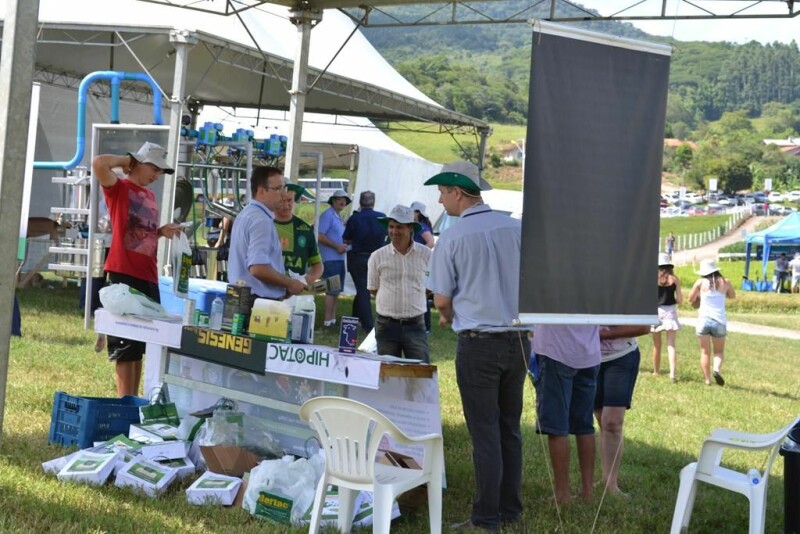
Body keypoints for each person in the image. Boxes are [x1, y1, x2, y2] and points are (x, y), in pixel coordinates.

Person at [425, 161, 529, 531]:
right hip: (518, 340)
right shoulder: (516, 228)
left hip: (479, 343)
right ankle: (510, 508)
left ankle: (486, 517)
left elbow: (440, 299)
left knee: (484, 431)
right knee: (509, 427)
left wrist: (449, 314)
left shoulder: (452, 237)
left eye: (442, 192)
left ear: (457, 192)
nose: (440, 199)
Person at [92, 142, 183, 397]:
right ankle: (124, 404)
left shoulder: (150, 196)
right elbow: (98, 163)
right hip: (123, 274)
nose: (156, 175)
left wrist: (161, 232)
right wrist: (125, 159)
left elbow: (140, 233)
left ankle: (134, 402)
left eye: (160, 171)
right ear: (138, 163)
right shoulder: (119, 188)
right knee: (125, 347)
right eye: (153, 167)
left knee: (141, 346)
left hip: (148, 275)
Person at [532, 325, 600, 505]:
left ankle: (562, 495)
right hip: (589, 352)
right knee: (585, 426)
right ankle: (587, 491)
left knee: (557, 427)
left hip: (556, 350)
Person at [227, 166, 306, 303]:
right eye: (278, 189)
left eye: (284, 188)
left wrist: (282, 287)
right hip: (257, 303)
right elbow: (258, 268)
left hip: (240, 297)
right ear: (262, 191)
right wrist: (289, 283)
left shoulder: (246, 214)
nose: (283, 194)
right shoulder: (261, 220)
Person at [367, 205, 432, 362]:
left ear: (410, 228)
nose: (394, 231)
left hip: (415, 324)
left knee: (420, 374)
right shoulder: (377, 256)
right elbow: (374, 289)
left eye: (399, 227)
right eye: (391, 227)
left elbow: (430, 286)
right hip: (386, 325)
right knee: (387, 376)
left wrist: (413, 298)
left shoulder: (426, 255)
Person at [594, 325, 650, 496]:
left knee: (612, 422)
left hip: (622, 357)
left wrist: (603, 335)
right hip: (589, 357)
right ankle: (605, 478)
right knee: (601, 419)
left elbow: (644, 326)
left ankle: (611, 484)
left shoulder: (630, 296)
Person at [343, 191, 386, 332]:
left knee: (362, 290)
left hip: (358, 257)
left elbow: (346, 239)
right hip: (377, 258)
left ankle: (368, 325)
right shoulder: (382, 218)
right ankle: (357, 318)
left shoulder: (355, 218)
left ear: (360, 203)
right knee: (363, 290)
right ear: (374, 202)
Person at [688, 259, 736, 386]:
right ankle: (716, 369)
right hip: (719, 320)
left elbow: (690, 298)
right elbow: (732, 296)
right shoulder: (726, 282)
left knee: (705, 352)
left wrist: (699, 297)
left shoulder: (700, 282)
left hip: (703, 319)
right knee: (719, 351)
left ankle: (707, 380)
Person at [275, 184, 323, 287]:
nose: (286, 205)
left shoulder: (304, 228)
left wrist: (311, 278)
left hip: (295, 294)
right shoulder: (263, 224)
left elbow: (317, 264)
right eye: (281, 201)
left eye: (289, 200)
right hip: (267, 292)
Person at [317, 189, 350, 327]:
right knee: (331, 290)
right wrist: (336, 246)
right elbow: (319, 235)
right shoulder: (328, 215)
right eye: (339, 199)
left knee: (335, 290)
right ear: (333, 201)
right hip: (331, 258)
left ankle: (332, 320)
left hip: (339, 258)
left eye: (344, 200)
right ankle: (327, 321)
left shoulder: (337, 216)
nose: (342, 202)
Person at [652, 252, 682, 382]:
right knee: (671, 344)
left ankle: (656, 371)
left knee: (657, 344)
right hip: (670, 311)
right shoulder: (675, 279)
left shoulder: (652, 278)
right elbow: (680, 299)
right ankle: (672, 374)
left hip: (656, 311)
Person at [410, 200, 435, 332]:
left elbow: (431, 242)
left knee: (421, 293)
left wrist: (419, 255)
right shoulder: (420, 225)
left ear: (418, 213)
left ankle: (425, 326)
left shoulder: (422, 227)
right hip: (421, 262)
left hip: (421, 263)